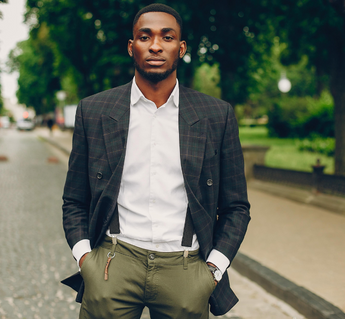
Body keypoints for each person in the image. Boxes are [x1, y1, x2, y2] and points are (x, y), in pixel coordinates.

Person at [61, 4, 250, 318]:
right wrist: (86, 260)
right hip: (112, 264)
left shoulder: (216, 115)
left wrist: (213, 271)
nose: (156, 45)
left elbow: (236, 207)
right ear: (131, 47)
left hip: (187, 268)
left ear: (181, 48)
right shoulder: (94, 111)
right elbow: (74, 199)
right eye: (145, 37)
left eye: (167, 37)